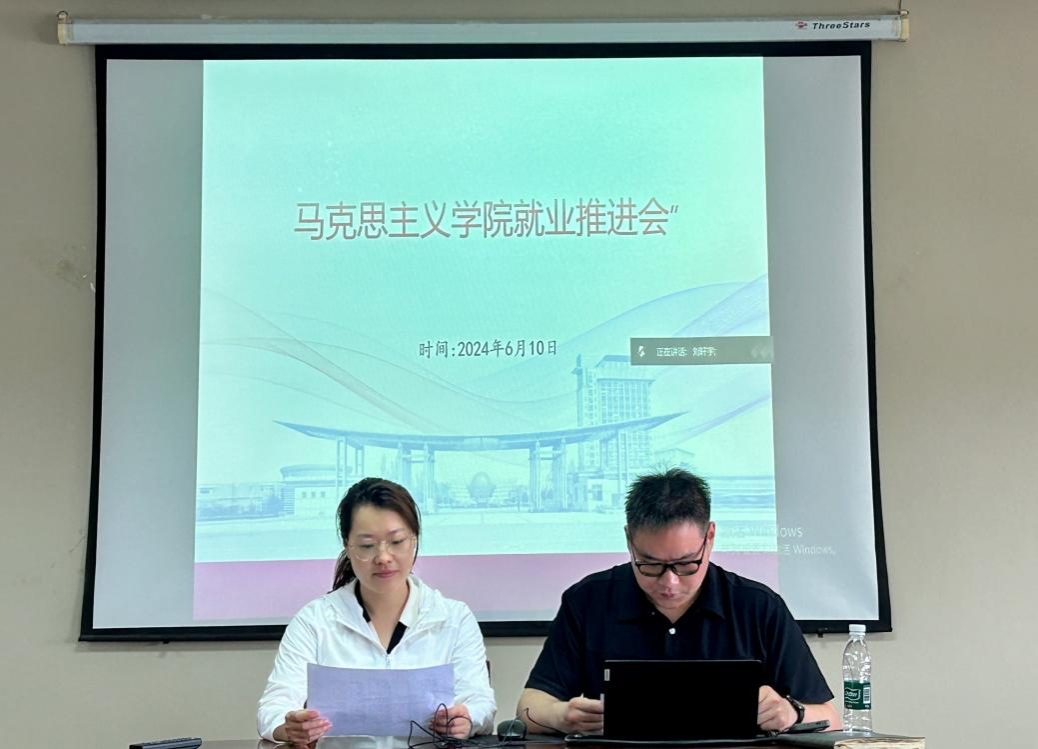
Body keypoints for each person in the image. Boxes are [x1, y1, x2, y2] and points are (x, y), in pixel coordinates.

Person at [517, 468, 839, 735]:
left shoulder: (758, 606)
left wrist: (790, 712)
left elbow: (830, 717)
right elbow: (528, 707)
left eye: (686, 564)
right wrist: (562, 716)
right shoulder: (587, 601)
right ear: (629, 539)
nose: (669, 583)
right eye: (650, 564)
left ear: (709, 538)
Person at [258, 477, 496, 746]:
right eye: (367, 546)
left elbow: (481, 704)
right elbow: (273, 708)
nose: (383, 557)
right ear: (347, 546)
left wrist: (467, 718)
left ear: (414, 540)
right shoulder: (315, 620)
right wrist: (289, 726)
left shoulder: (454, 618)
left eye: (396, 541)